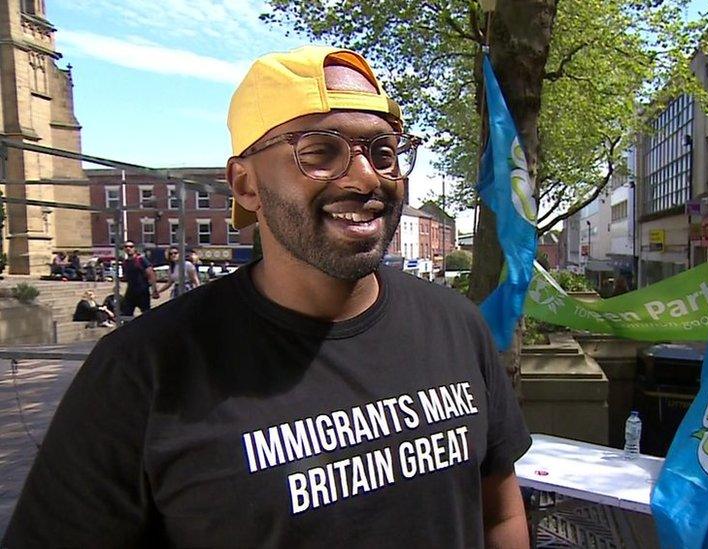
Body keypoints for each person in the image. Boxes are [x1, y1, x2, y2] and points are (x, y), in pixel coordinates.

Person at [4, 46, 531, 548]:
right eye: (320, 153)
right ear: (246, 185)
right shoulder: (144, 371)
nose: (367, 176)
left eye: (384, 151)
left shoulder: (457, 326)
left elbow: (500, 514)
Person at [119, 240, 159, 316]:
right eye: (126, 247)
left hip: (142, 292)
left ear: (134, 249)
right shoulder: (125, 263)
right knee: (126, 314)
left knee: (146, 314)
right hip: (130, 292)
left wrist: (154, 290)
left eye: (131, 247)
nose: (128, 248)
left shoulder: (141, 259)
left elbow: (151, 274)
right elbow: (126, 277)